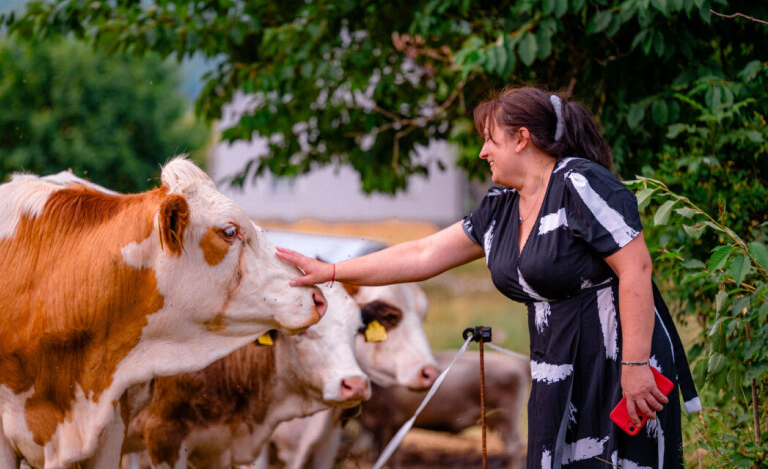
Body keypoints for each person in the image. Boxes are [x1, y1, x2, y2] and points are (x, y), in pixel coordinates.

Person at [276, 86, 701, 468]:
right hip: (556, 365)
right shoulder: (500, 206)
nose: (483, 153)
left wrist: (635, 365)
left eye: (489, 139)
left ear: (522, 139)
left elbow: (637, 268)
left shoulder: (581, 184)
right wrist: (331, 271)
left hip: (616, 359)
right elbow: (423, 253)